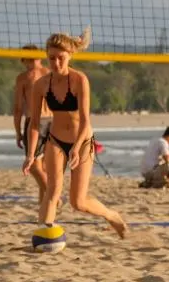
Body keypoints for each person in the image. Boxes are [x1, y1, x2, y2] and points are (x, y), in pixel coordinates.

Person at [22, 28, 127, 238]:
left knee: (78, 202)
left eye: (61, 58)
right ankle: (45, 237)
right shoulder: (41, 85)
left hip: (83, 141)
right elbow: (34, 124)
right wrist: (30, 155)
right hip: (56, 140)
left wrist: (77, 149)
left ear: (69, 56)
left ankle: (112, 215)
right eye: (51, 58)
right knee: (52, 191)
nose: (56, 63)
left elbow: (86, 120)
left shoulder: (80, 80)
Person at [14, 44, 52, 206]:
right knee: (43, 168)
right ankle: (44, 213)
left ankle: (53, 197)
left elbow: (17, 108)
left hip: (35, 121)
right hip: (53, 121)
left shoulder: (24, 77)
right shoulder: (51, 73)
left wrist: (18, 132)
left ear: (24, 59)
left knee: (35, 167)